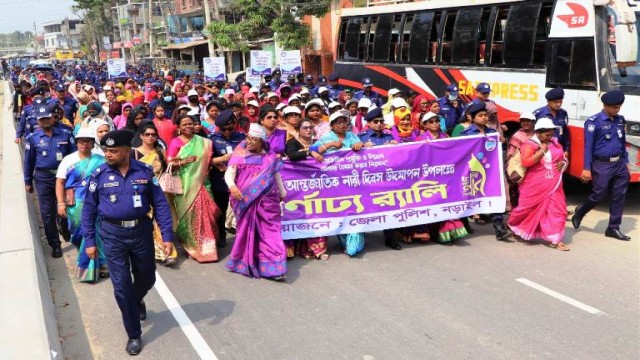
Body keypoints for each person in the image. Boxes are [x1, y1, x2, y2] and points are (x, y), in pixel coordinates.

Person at [81, 130, 174, 355]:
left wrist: (167, 235)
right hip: (112, 235)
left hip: (141, 232)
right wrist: (90, 241)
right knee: (121, 286)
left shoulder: (144, 171)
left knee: (147, 276)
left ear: (126, 151)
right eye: (105, 150)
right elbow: (89, 209)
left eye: (113, 151)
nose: (108, 155)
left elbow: (160, 203)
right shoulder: (99, 174)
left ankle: (136, 298)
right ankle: (134, 334)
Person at [225, 123, 288, 280]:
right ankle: (248, 261)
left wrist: (283, 192)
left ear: (262, 141)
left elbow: (277, 176)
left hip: (268, 203)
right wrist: (232, 187)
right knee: (248, 232)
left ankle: (274, 269)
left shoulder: (270, 158)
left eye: (254, 139)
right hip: (246, 201)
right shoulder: (240, 155)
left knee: (270, 233)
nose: (250, 142)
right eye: (248, 138)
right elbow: (229, 174)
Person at [571, 90, 631, 241]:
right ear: (605, 105)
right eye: (614, 107)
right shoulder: (594, 122)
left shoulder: (620, 120)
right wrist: (586, 168)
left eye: (619, 107)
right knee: (599, 194)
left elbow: (622, 143)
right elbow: (588, 147)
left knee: (619, 196)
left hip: (619, 163)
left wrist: (626, 162)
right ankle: (580, 212)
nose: (617, 110)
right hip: (602, 164)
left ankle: (613, 228)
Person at [24, 102, 77, 258]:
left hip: (64, 178)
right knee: (47, 213)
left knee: (68, 208)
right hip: (43, 178)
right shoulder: (33, 138)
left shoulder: (65, 134)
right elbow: (29, 161)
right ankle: (55, 244)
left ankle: (65, 226)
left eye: (47, 118)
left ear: (53, 118)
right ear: (38, 121)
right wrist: (27, 181)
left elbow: (74, 158)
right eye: (41, 119)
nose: (45, 121)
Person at [508, 118, 570, 250]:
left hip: (554, 183)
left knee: (557, 210)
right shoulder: (529, 144)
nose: (550, 137)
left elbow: (562, 157)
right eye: (547, 135)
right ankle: (518, 229)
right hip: (534, 184)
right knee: (526, 209)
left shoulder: (554, 142)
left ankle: (555, 239)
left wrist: (564, 163)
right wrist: (542, 151)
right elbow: (526, 162)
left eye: (552, 134)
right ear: (538, 133)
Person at [55, 127, 107, 282]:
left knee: (92, 233)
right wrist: (60, 203)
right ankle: (89, 256)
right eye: (81, 141)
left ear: (93, 143)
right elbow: (60, 182)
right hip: (75, 204)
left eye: (89, 141)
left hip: (96, 202)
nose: (85, 144)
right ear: (76, 143)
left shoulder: (101, 159)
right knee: (76, 235)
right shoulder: (68, 160)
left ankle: (95, 267)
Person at [167, 114, 221, 262]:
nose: (188, 127)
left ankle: (208, 248)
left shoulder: (204, 142)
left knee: (208, 214)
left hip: (203, 183)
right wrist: (183, 162)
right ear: (179, 128)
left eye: (190, 124)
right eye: (184, 124)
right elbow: (169, 164)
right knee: (189, 217)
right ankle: (192, 247)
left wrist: (221, 161)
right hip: (185, 184)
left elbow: (208, 161)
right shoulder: (175, 142)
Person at [314, 111, 366, 256]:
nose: (343, 125)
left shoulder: (351, 136)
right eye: (339, 122)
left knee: (356, 208)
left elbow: (363, 147)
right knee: (340, 210)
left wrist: (360, 143)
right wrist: (328, 146)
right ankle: (343, 237)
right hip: (334, 182)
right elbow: (312, 150)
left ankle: (354, 238)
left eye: (345, 122)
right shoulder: (326, 138)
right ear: (332, 125)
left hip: (353, 181)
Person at [461, 102, 512, 241]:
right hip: (471, 172)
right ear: (471, 118)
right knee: (468, 198)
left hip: (490, 172)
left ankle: (499, 228)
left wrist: (501, 142)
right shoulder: (466, 134)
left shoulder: (492, 132)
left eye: (485, 115)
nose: (484, 118)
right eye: (480, 115)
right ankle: (464, 223)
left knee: (493, 196)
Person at [132, 121, 177, 266]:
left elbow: (167, 169)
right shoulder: (134, 153)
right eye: (147, 134)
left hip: (159, 190)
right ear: (141, 136)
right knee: (148, 221)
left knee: (161, 220)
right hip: (141, 191)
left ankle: (166, 252)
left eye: (153, 134)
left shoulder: (160, 152)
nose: (151, 137)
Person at [209, 110, 246, 246]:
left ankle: (244, 235)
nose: (227, 132)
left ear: (234, 124)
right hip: (220, 179)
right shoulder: (213, 139)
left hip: (240, 179)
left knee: (241, 208)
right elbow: (208, 160)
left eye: (230, 129)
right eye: (224, 130)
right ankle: (221, 235)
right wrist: (222, 159)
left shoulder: (242, 137)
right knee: (221, 209)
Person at [506, 112, 536, 207]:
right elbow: (511, 152)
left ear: (533, 122)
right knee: (519, 189)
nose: (525, 123)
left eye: (528, 121)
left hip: (535, 166)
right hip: (521, 166)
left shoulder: (537, 134)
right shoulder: (518, 135)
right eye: (523, 121)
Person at [534, 87, 570, 157]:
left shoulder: (563, 113)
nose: (558, 104)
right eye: (556, 102)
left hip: (559, 149)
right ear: (548, 101)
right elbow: (532, 133)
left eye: (560, 102)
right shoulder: (539, 114)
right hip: (543, 149)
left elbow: (565, 133)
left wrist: (566, 149)